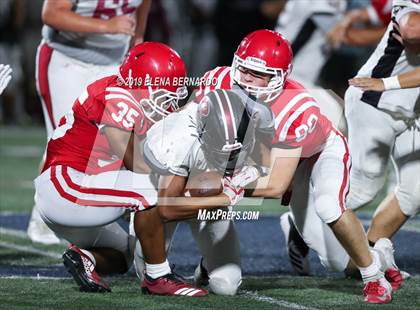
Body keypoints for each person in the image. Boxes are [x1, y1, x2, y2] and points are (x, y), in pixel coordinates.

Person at [196, 29, 401, 304]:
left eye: (259, 74)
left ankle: (375, 280)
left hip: (318, 153)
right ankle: (381, 255)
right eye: (244, 69)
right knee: (336, 262)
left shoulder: (295, 107)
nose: (247, 80)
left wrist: (228, 184)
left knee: (329, 206)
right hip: (270, 154)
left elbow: (279, 183)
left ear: (280, 77)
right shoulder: (217, 80)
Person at [33, 42, 210, 297]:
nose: (171, 100)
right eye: (164, 91)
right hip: (68, 188)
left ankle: (84, 258)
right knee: (150, 189)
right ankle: (158, 278)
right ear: (141, 83)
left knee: (123, 255)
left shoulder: (121, 88)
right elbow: (135, 163)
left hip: (69, 193)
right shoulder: (120, 96)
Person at [29, 0, 152, 245]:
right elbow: (51, 14)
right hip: (67, 60)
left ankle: (102, 214)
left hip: (113, 63)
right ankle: (43, 218)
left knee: (117, 145)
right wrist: (107, 26)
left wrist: (136, 49)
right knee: (64, 140)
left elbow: (140, 12)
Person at [133, 88, 271, 296]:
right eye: (225, 154)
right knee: (147, 273)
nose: (230, 161)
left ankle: (207, 265)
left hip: (205, 196)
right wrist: (224, 196)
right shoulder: (180, 140)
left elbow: (283, 181)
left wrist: (250, 175)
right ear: (204, 134)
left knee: (226, 286)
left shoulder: (247, 128)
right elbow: (167, 208)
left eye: (237, 153)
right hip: (161, 196)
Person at [344, 0, 420, 249]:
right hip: (375, 99)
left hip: (411, 110)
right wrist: (388, 84)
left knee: (414, 193)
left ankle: (366, 260)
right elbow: (411, 29)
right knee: (363, 191)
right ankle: (304, 214)